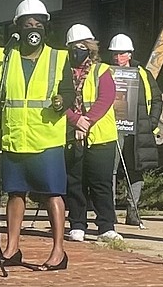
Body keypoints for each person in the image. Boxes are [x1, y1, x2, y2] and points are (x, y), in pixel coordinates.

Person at [0, 0, 74, 271]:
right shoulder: (5, 56)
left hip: (46, 138)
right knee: (15, 193)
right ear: (17, 27)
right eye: (28, 24)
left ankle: (58, 252)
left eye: (38, 24)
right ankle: (12, 248)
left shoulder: (58, 56)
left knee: (53, 194)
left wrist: (62, 102)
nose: (33, 29)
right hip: (15, 136)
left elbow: (69, 93)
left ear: (45, 28)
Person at [64, 24, 122, 243]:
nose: (76, 51)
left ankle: (106, 225)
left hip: (100, 137)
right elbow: (58, 100)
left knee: (100, 182)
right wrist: (75, 120)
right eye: (72, 47)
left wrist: (86, 121)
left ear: (90, 48)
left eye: (80, 46)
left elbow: (106, 98)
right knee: (75, 182)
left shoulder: (102, 70)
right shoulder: (62, 72)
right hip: (72, 134)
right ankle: (77, 224)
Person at [108, 33, 162, 226]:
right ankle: (109, 214)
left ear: (129, 54)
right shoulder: (105, 72)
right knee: (109, 171)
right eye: (114, 53)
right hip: (111, 130)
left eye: (121, 53)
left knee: (135, 171)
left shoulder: (143, 74)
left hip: (138, 131)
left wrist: (152, 122)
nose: (117, 57)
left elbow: (156, 99)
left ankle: (133, 212)